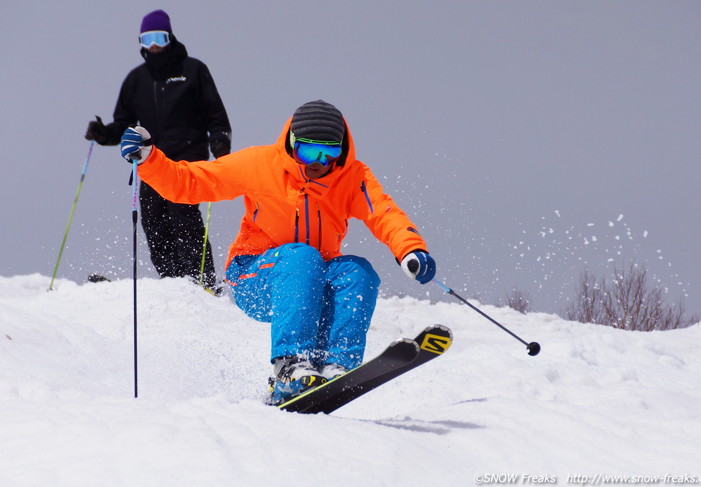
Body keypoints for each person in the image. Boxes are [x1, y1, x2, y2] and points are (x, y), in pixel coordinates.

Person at [119, 100, 437, 405]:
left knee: (358, 271)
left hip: (311, 280)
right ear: (291, 143)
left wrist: (410, 249)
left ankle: (334, 365)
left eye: (328, 154)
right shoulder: (260, 164)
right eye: (309, 150)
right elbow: (191, 182)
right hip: (255, 278)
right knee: (301, 256)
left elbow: (384, 214)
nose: (317, 163)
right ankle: (289, 367)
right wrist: (149, 159)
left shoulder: (353, 178)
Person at [85, 9, 232, 292]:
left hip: (188, 161)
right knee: (153, 221)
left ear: (170, 38)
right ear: (140, 42)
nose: (153, 46)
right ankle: (174, 285)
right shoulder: (136, 80)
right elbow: (123, 125)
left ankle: (202, 283)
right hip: (151, 162)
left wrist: (220, 140)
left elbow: (215, 114)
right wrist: (103, 134)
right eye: (147, 39)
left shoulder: (193, 70)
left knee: (183, 216)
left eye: (159, 38)